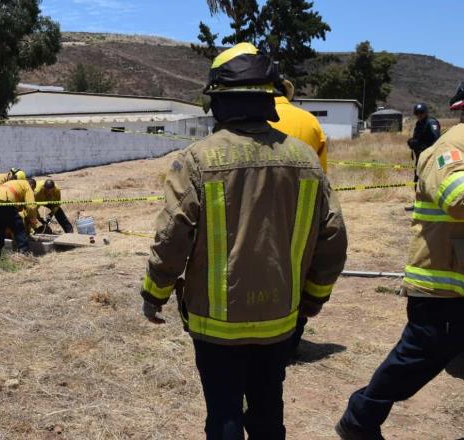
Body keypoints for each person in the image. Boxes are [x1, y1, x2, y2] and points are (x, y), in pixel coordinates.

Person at [139, 43, 348, 439]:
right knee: (269, 413)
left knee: (224, 416)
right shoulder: (305, 160)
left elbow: (171, 239)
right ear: (269, 100)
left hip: (215, 325)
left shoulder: (197, 160)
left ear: (219, 102)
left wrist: (154, 294)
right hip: (280, 320)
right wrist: (314, 298)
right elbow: (334, 235)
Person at [336, 83, 464, 440]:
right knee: (419, 357)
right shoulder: (452, 146)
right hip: (444, 285)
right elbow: (456, 199)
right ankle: (361, 417)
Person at [269, 78, 330, 362]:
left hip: (254, 210)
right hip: (299, 212)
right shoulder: (310, 123)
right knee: (297, 273)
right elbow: (322, 179)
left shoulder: (246, 119)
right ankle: (290, 338)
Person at [270, 79, 328, 172]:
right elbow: (322, 172)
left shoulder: (253, 119)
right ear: (287, 94)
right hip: (303, 185)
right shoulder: (311, 120)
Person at [0, 178, 37, 256]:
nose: (32, 191)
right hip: (6, 200)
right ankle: (25, 252)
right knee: (18, 226)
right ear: (32, 185)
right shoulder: (27, 186)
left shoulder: (14, 183)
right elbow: (31, 207)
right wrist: (33, 220)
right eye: (33, 190)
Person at [408, 103, 441, 183]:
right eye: (417, 113)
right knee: (417, 180)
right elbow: (419, 138)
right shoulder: (419, 124)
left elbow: (437, 139)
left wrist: (424, 146)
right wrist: (413, 142)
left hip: (429, 157)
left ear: (426, 112)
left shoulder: (431, 122)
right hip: (420, 157)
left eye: (421, 112)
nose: (419, 115)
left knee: (428, 181)